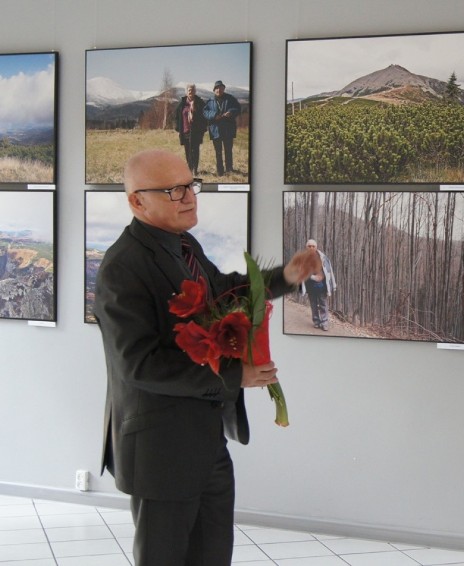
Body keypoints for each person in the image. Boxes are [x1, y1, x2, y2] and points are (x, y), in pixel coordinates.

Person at [93, 149, 319, 566]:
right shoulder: (122, 267)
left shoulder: (183, 244)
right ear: (136, 201)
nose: (188, 197)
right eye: (172, 190)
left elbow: (225, 292)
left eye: (190, 184)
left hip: (207, 443)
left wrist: (286, 277)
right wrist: (235, 376)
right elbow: (139, 365)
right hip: (161, 451)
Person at [203, 80, 241, 176]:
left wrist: (231, 112)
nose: (219, 90)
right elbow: (205, 112)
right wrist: (214, 115)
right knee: (218, 152)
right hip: (216, 130)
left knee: (228, 150)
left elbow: (238, 108)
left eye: (221, 88)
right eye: (217, 88)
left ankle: (229, 169)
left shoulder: (230, 99)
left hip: (228, 129)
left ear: (224, 89)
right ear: (214, 90)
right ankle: (220, 171)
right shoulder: (210, 101)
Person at [300, 239, 336, 331]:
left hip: (322, 285)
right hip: (310, 285)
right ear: (306, 247)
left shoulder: (323, 257)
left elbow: (328, 270)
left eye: (313, 246)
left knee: (323, 304)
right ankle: (316, 321)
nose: (311, 248)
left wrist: (323, 277)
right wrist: (313, 277)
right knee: (313, 304)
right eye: (309, 246)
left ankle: (324, 323)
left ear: (316, 247)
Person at [174, 84, 206, 176]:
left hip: (196, 131)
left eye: (192, 90)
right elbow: (176, 116)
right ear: (186, 92)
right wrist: (177, 128)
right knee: (187, 150)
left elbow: (205, 116)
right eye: (189, 90)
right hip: (185, 130)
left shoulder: (200, 102)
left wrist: (203, 129)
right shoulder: (182, 103)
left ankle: (195, 169)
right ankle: (189, 168)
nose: (190, 91)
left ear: (195, 91)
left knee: (195, 150)